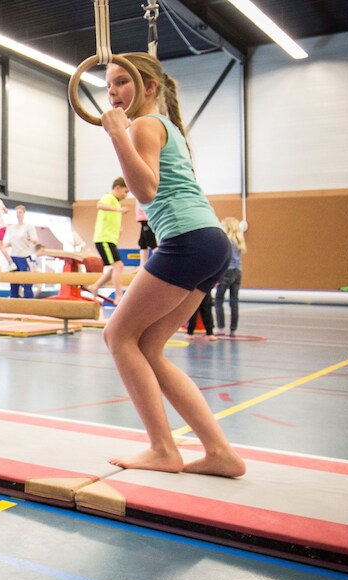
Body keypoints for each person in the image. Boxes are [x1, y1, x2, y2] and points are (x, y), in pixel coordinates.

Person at [97, 52, 245, 478]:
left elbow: (144, 188)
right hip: (210, 242)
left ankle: (163, 448)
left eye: (123, 82)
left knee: (117, 334)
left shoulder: (144, 124)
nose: (113, 93)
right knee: (148, 347)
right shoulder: (166, 129)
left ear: (149, 88)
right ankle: (220, 453)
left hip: (188, 240)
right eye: (108, 86)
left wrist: (117, 135)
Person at [85, 177, 129, 304]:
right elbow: (99, 205)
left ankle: (95, 286)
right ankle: (119, 296)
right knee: (118, 266)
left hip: (110, 240)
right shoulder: (109, 197)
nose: (126, 195)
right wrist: (118, 210)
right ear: (117, 188)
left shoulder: (116, 202)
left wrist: (119, 230)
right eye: (125, 192)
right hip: (103, 239)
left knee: (114, 268)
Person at [214, 216, 246, 337]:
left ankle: (221, 328)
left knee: (218, 300)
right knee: (234, 301)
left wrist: (217, 276)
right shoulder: (239, 241)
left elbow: (224, 259)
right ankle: (233, 329)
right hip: (238, 272)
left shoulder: (226, 240)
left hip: (227, 272)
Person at [3, 205, 38, 298]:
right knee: (13, 284)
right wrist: (5, 245)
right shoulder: (11, 228)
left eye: (20, 212)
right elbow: (12, 242)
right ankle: (14, 305)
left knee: (27, 284)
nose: (18, 214)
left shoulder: (29, 227)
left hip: (25, 257)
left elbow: (35, 240)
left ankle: (29, 305)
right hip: (14, 257)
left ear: (24, 214)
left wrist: (31, 239)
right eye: (17, 212)